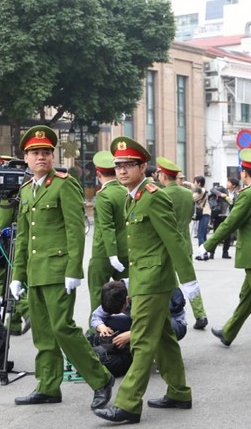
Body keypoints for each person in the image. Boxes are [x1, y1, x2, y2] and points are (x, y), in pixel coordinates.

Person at [93, 137, 201, 424]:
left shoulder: (153, 196)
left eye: (129, 165)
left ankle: (128, 404)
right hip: (142, 278)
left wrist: (188, 280)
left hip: (155, 281)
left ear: (143, 167)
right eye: (118, 166)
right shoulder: (132, 197)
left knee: (140, 340)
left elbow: (174, 240)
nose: (122, 171)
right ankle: (179, 392)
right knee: (164, 338)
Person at [9, 125, 114, 408]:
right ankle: (48, 386)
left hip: (57, 271)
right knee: (43, 333)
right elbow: (23, 238)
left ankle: (101, 378)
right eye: (35, 153)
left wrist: (73, 270)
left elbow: (75, 230)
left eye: (45, 152)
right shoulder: (27, 189)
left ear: (53, 156)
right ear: (26, 158)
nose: (41, 157)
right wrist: (18, 275)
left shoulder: (64, 184)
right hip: (35, 272)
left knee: (62, 328)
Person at [198, 149, 251, 353]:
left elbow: (230, 223)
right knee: (247, 297)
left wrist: (207, 245)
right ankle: (229, 332)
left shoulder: (248, 194)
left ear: (244, 173)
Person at [90, 281, 187, 377]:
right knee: (108, 322)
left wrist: (132, 334)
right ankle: (132, 351)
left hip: (171, 322)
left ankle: (166, 356)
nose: (121, 312)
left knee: (162, 328)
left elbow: (156, 323)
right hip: (141, 322)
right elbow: (96, 316)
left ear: (127, 300)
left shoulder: (143, 292)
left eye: (121, 310)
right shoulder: (115, 293)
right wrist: (102, 327)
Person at [157, 156, 208, 331]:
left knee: (166, 282)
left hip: (166, 244)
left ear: (163, 176)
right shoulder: (187, 194)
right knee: (189, 280)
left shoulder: (161, 194)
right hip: (185, 241)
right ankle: (200, 313)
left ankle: (171, 315)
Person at [0, 154, 31, 336]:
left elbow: (3, 224)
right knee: (17, 280)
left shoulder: (9, 194)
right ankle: (12, 322)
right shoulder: (28, 187)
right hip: (25, 241)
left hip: (9, 243)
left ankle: (28, 310)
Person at [87, 150, 129, 326]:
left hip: (104, 253)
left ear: (98, 174)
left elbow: (106, 227)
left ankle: (96, 332)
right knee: (128, 295)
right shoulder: (126, 192)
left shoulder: (104, 195)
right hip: (127, 251)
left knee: (98, 296)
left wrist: (111, 254)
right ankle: (131, 329)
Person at [207, 183, 230, 259]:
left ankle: (225, 252)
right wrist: (220, 194)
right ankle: (212, 253)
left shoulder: (235, 193)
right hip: (219, 216)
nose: (227, 183)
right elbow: (212, 190)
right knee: (216, 235)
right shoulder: (222, 190)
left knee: (227, 236)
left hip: (228, 216)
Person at [192, 175, 211, 248]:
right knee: (203, 235)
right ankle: (204, 253)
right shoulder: (203, 190)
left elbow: (192, 198)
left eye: (194, 182)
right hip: (206, 213)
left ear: (199, 183)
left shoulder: (201, 191)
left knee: (200, 235)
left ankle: (202, 254)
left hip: (204, 214)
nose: (194, 183)